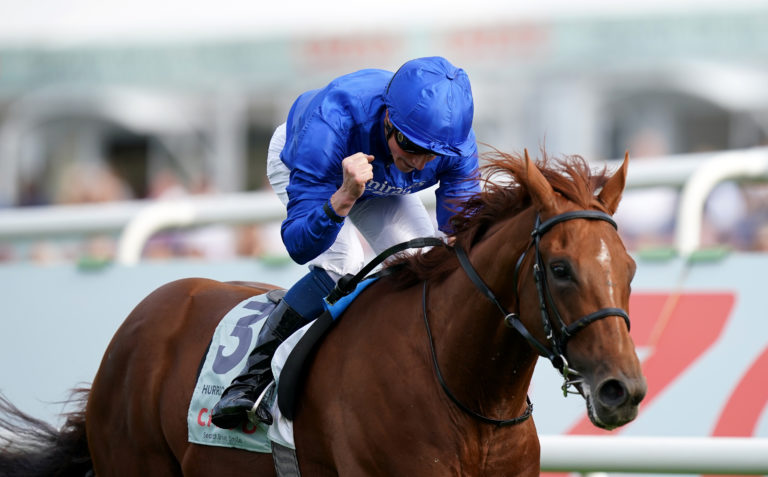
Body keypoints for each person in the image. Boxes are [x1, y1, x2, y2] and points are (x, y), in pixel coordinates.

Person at [211, 56, 481, 429]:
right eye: (410, 145)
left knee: (425, 260)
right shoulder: (332, 120)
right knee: (342, 265)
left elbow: (461, 234)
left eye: (431, 154)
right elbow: (299, 243)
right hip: (309, 161)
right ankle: (250, 378)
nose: (419, 163)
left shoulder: (454, 141)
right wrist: (342, 198)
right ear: (387, 118)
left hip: (381, 182)